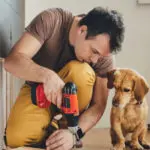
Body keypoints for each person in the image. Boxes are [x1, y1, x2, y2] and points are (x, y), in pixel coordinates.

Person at [4, 6, 125, 150]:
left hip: (72, 109)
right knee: (16, 138)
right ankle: (51, 129)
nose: (95, 60)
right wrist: (46, 76)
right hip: (38, 91)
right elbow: (11, 61)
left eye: (100, 56)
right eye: (94, 52)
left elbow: (98, 105)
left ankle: (66, 128)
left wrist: (74, 134)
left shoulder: (103, 57)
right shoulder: (52, 20)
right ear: (82, 30)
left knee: (81, 71)